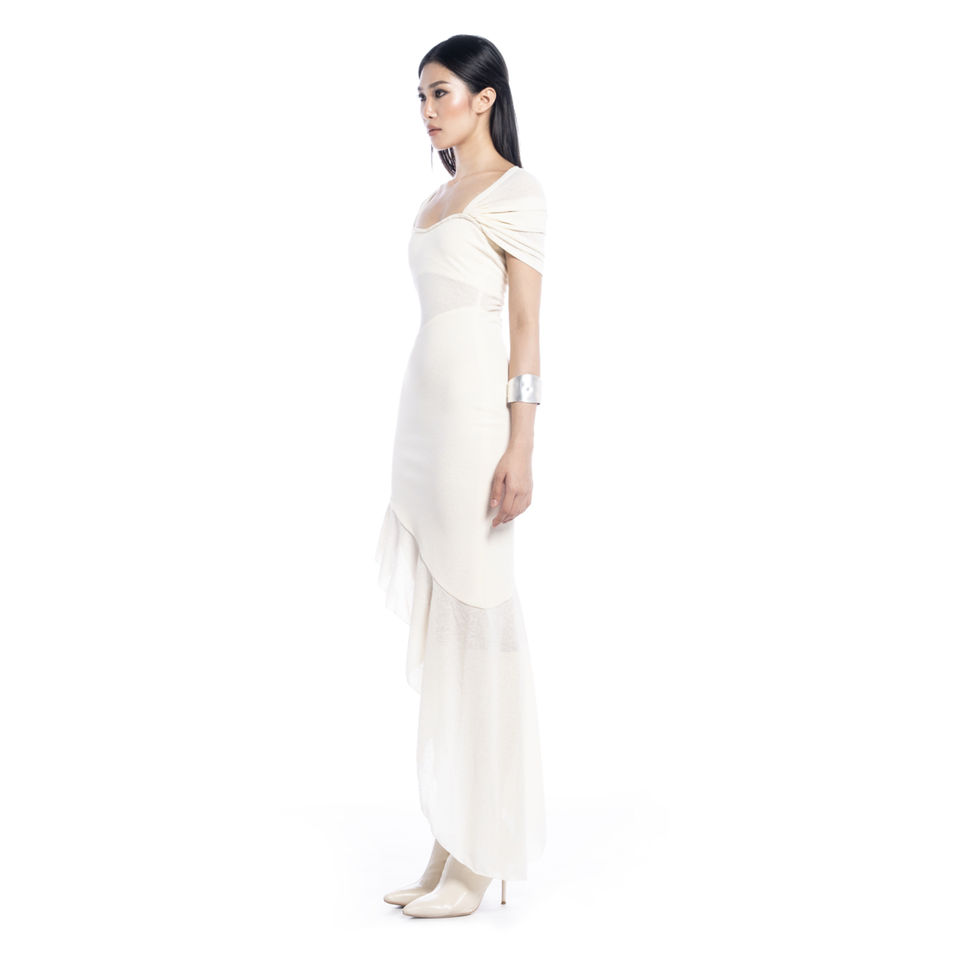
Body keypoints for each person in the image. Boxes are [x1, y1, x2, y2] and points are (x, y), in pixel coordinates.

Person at [375, 34, 547, 919]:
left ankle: (483, 856)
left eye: (441, 92)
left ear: (485, 99)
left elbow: (525, 329)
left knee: (482, 624)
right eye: (420, 96)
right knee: (448, 634)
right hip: (424, 427)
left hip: (481, 431)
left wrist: (522, 446)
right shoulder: (435, 198)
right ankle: (451, 834)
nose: (427, 110)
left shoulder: (515, 192)